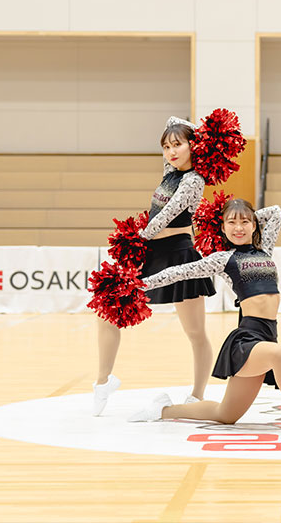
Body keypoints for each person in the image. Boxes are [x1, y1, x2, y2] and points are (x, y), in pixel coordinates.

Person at [127, 199, 281, 439]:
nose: (238, 227)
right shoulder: (223, 259)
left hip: (268, 334)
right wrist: (139, 284)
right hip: (247, 338)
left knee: (225, 414)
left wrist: (239, 216)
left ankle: (163, 410)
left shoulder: (265, 248)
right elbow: (179, 272)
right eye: (231, 223)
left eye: (245, 222)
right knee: (278, 354)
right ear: (222, 228)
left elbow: (275, 212)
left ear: (254, 225)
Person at [93, 116, 215, 416]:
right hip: (150, 253)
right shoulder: (169, 172)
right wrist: (141, 241)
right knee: (108, 313)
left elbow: (166, 215)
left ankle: (197, 394)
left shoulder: (194, 180)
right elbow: (172, 120)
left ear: (193, 146)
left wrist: (139, 235)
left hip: (179, 254)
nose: (171, 151)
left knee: (195, 332)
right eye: (166, 146)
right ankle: (103, 381)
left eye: (178, 145)